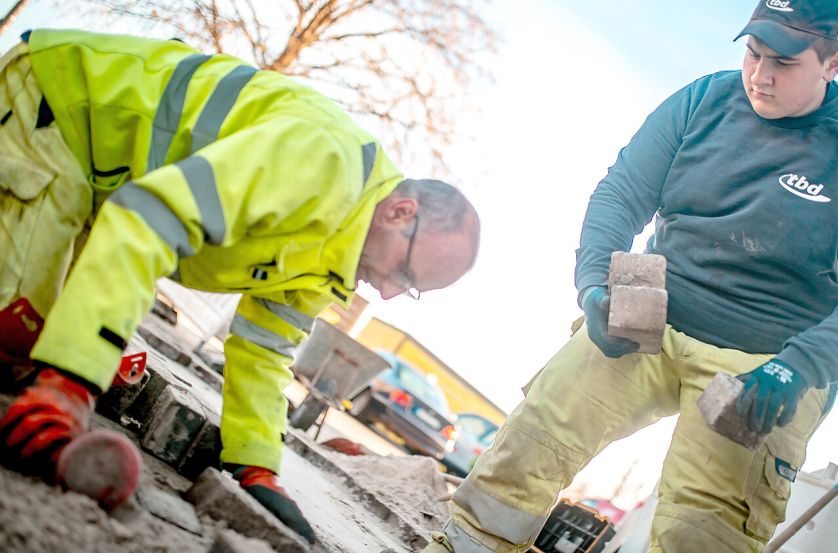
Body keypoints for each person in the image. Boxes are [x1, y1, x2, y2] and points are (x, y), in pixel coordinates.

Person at [421, 0, 838, 551]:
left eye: (783, 63)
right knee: (534, 438)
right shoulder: (704, 99)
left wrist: (801, 368)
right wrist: (595, 285)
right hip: (653, 313)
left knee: (702, 530)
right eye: (753, 54)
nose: (760, 76)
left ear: (833, 64)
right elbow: (622, 192)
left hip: (765, 361)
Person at [0, 29, 480, 542]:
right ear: (400, 212)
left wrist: (257, 468)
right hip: (62, 104)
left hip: (106, 184)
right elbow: (149, 219)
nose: (387, 293)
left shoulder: (339, 257)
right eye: (404, 274)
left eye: (408, 290)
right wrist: (72, 380)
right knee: (19, 333)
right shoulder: (319, 165)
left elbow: (264, 351)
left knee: (46, 345)